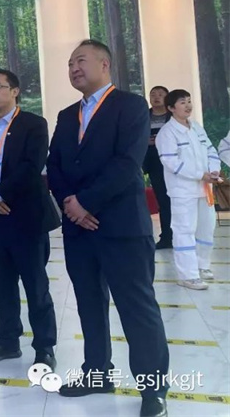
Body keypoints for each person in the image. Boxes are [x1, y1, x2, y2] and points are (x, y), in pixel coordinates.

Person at [47, 40, 169, 417]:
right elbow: (55, 165)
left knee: (137, 308)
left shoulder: (130, 106)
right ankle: (96, 373)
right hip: (79, 230)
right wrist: (70, 204)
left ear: (104, 64)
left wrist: (86, 202)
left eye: (80, 61)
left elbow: (127, 163)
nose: (73, 68)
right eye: (69, 63)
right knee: (89, 305)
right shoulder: (67, 115)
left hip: (122, 227)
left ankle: (153, 390)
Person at [0, 69, 57, 370]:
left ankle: (44, 346)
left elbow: (32, 166)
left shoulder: (33, 124)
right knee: (1, 285)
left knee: (36, 285)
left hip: (25, 217)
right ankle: (7, 341)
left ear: (15, 91)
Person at [155, 90, 221, 290]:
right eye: (182, 102)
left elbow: (210, 150)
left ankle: (203, 266)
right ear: (171, 108)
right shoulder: (167, 133)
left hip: (204, 189)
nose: (188, 105)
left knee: (206, 228)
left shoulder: (196, 128)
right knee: (184, 230)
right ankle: (188, 275)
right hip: (183, 191)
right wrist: (200, 174)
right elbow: (171, 162)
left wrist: (214, 170)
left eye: (189, 101)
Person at [143, 86, 173, 250]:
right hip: (154, 163)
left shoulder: (173, 116)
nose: (156, 97)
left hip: (174, 164)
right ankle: (166, 236)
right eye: (153, 94)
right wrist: (145, 141)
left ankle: (181, 235)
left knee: (176, 201)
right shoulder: (144, 116)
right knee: (163, 200)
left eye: (160, 94)